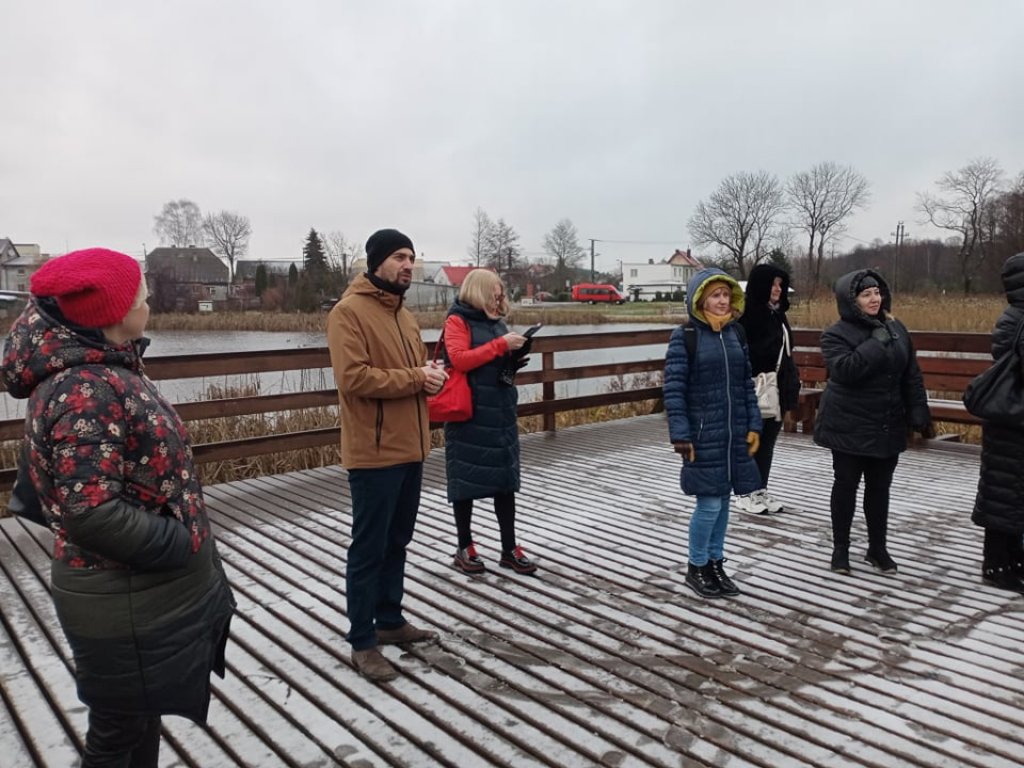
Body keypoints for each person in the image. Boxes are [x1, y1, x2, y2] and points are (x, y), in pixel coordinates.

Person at [0, 248, 235, 768]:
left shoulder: (104, 369)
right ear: (111, 313)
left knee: (135, 718)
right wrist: (179, 542)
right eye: (142, 297)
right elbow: (91, 511)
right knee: (116, 734)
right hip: (117, 595)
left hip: (131, 590)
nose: (149, 304)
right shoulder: (84, 388)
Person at [327, 228, 446, 683]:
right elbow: (354, 378)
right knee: (369, 548)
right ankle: (362, 641)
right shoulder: (348, 313)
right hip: (373, 453)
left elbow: (411, 372)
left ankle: (390, 620)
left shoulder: (405, 315)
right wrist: (417, 378)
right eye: (399, 257)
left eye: (411, 257)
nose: (408, 265)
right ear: (376, 261)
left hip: (411, 446)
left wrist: (430, 375)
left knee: (398, 540)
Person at [814, 269, 933, 575]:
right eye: (866, 294)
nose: (874, 299)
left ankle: (877, 548)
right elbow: (845, 370)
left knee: (880, 488)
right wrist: (875, 343)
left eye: (877, 292)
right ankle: (840, 549)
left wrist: (918, 410)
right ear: (851, 300)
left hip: (887, 421)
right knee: (846, 486)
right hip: (848, 424)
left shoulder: (896, 328)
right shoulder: (835, 335)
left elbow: (911, 373)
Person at [664, 268, 762, 598]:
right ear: (700, 300)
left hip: (733, 434)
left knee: (722, 503)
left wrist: (754, 425)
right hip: (703, 435)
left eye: (726, 295)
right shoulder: (686, 336)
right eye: (715, 296)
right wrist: (681, 435)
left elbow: (746, 385)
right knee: (708, 506)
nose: (722, 301)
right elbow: (674, 389)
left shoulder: (736, 334)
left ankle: (715, 563)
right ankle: (696, 566)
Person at [441, 268, 537, 575]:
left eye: (501, 293)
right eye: (495, 293)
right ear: (481, 291)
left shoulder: (497, 321)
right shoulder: (457, 320)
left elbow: (490, 359)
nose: (500, 297)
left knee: (504, 480)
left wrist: (513, 360)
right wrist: (501, 346)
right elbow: (459, 359)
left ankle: (509, 548)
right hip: (469, 411)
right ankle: (464, 545)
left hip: (499, 408)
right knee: (466, 478)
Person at [971, 252, 1024, 593]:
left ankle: (1013, 557)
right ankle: (996, 564)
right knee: (1004, 493)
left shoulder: (1014, 317)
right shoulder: (1015, 320)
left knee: (1013, 493)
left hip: (1012, 416)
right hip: (1010, 418)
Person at [735, 264, 801, 514]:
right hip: (757, 387)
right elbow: (748, 355)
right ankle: (745, 492)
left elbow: (786, 352)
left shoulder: (778, 315)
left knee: (768, 442)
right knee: (752, 440)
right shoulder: (747, 318)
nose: (778, 289)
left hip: (778, 387)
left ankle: (760, 488)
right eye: (773, 284)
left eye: (780, 285)